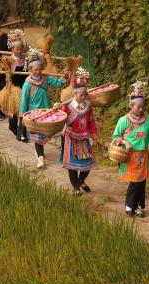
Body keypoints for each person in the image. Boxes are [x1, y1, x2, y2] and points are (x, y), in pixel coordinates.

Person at [112, 81, 149, 217]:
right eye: (138, 107)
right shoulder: (123, 120)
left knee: (142, 182)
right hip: (130, 157)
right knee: (134, 183)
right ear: (131, 105)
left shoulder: (148, 120)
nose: (140, 109)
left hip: (143, 156)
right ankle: (129, 207)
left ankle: (139, 207)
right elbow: (115, 136)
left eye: (142, 107)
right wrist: (125, 142)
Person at [19, 46, 67, 169]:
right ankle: (41, 157)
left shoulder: (46, 79)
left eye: (40, 69)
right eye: (35, 70)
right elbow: (24, 101)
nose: (38, 72)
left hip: (47, 111)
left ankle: (39, 152)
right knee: (37, 136)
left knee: (45, 134)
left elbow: (58, 83)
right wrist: (22, 117)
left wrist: (65, 78)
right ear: (30, 69)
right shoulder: (27, 84)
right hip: (34, 114)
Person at [59, 67, 98, 196]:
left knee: (88, 163)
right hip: (70, 137)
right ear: (74, 94)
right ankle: (75, 186)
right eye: (81, 94)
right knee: (72, 165)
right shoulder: (67, 107)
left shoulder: (88, 107)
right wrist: (56, 109)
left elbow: (91, 122)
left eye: (84, 94)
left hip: (84, 138)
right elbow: (59, 118)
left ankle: (81, 180)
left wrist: (94, 137)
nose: (83, 96)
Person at [5, 29, 29, 141]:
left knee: (23, 110)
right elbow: (4, 74)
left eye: (21, 49)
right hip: (14, 88)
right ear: (12, 49)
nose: (19, 51)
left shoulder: (26, 59)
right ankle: (15, 129)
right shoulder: (8, 60)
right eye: (17, 49)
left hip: (24, 87)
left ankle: (22, 133)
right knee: (15, 112)